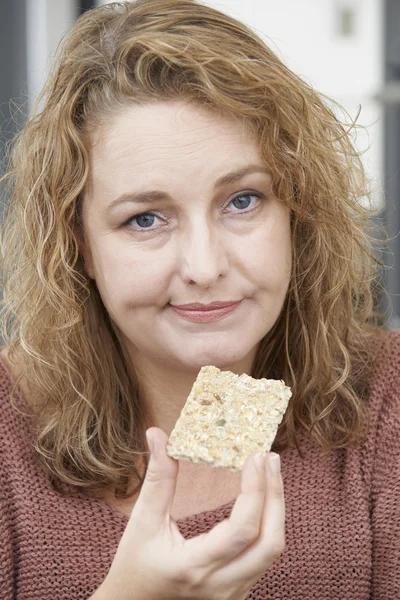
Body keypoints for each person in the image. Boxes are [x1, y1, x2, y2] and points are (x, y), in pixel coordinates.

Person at [0, 0, 398, 598]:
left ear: (298, 211)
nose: (206, 267)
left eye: (242, 201)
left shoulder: (388, 402)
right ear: (78, 245)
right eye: (145, 219)